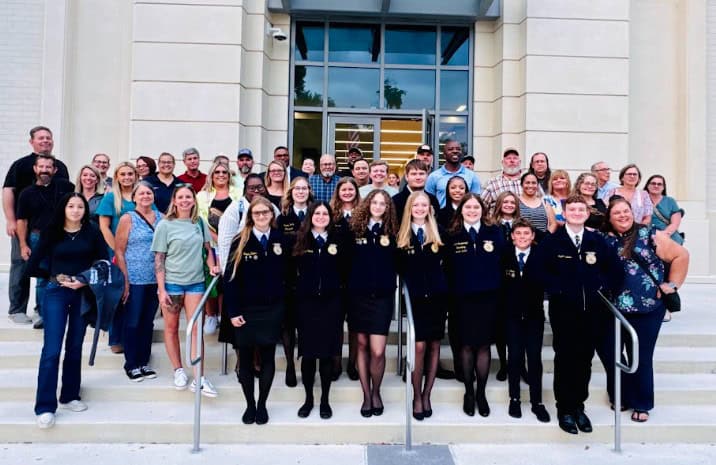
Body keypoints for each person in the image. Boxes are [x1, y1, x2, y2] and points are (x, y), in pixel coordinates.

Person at [535, 195, 623, 435]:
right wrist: (557, 288)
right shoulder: (553, 241)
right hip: (564, 311)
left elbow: (615, 270)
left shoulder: (598, 241)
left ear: (587, 213)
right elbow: (537, 270)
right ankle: (564, 408)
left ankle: (579, 407)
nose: (576, 212)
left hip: (593, 311)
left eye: (580, 209)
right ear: (565, 213)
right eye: (571, 209)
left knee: (584, 360)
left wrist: (601, 287)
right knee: (565, 358)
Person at [25, 192, 108, 429]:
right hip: (55, 293)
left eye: (80, 206)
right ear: (64, 208)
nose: (75, 210)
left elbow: (102, 263)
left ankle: (70, 395)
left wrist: (84, 280)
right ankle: (44, 406)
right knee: (52, 350)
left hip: (82, 293)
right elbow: (32, 265)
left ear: (85, 210)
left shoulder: (92, 232)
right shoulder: (52, 232)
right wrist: (54, 277)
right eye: (71, 206)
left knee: (74, 346)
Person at [603, 197, 689, 422]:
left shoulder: (650, 234)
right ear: (609, 218)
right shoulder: (605, 240)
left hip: (648, 308)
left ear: (632, 212)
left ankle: (642, 402)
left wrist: (671, 285)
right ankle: (619, 394)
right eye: (617, 213)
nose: (623, 216)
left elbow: (681, 255)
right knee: (613, 354)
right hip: (613, 310)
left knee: (640, 355)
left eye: (626, 211)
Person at [224, 197, 289, 425]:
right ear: (250, 216)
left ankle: (262, 405)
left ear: (272, 215)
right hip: (246, 310)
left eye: (266, 212)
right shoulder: (239, 240)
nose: (261, 216)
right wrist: (233, 311)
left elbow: (290, 276)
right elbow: (230, 279)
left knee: (269, 356)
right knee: (246, 358)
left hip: (273, 309)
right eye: (257, 213)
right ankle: (249, 404)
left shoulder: (282, 239)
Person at [152, 185, 220, 397]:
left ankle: (198, 376)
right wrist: (161, 290)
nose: (184, 200)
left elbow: (208, 250)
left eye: (188, 197)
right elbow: (159, 259)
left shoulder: (199, 223)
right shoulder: (165, 225)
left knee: (196, 330)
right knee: (171, 328)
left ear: (193, 200)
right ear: (174, 201)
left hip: (195, 283)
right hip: (172, 283)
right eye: (180, 197)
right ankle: (178, 370)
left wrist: (212, 265)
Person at [444, 193, 505, 417]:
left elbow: (502, 261)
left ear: (482, 209)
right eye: (467, 207)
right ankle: (469, 391)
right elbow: (447, 268)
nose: (472, 211)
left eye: (476, 207)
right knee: (467, 346)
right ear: (461, 211)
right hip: (461, 300)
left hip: (488, 299)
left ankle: (481, 393)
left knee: (483, 346)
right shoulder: (452, 234)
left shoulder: (494, 232)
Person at [3, 126, 69, 325]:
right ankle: (17, 309)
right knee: (20, 266)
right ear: (31, 141)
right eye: (41, 138)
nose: (45, 141)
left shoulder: (61, 167)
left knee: (46, 271)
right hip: (24, 226)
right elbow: (8, 191)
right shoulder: (20, 165)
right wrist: (10, 220)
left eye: (49, 138)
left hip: (50, 230)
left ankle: (42, 311)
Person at [396, 192, 448, 421]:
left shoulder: (439, 233)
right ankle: (416, 395)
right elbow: (398, 267)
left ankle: (427, 394)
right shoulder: (402, 235)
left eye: (424, 205)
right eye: (415, 205)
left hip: (437, 298)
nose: (419, 208)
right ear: (409, 208)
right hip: (416, 299)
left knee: (435, 345)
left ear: (430, 208)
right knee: (419, 348)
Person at [348, 189, 398, 417]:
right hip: (357, 296)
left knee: (378, 351)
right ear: (367, 204)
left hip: (382, 298)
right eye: (374, 202)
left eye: (383, 204)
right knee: (361, 345)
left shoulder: (393, 232)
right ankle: (367, 396)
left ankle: (377, 390)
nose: (378, 206)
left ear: (388, 208)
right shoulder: (353, 229)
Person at [293, 202, 345, 419]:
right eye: (317, 213)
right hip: (306, 304)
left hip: (332, 304)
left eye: (325, 213)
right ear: (310, 216)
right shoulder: (299, 239)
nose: (321, 217)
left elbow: (347, 268)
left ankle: (324, 400)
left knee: (326, 355)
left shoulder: (339, 239)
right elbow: (290, 271)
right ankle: (308, 399)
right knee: (308, 355)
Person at [16, 154, 75, 328]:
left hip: (61, 236)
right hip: (37, 237)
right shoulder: (26, 193)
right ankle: (42, 314)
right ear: (35, 169)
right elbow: (22, 221)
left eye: (48, 167)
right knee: (42, 278)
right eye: (41, 167)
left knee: (63, 274)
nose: (44, 170)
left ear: (54, 170)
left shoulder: (65, 187)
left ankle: (61, 310)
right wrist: (23, 244)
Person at [500, 219, 550, 422]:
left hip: (534, 316)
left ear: (532, 236)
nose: (522, 237)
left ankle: (537, 402)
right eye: (518, 233)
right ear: (512, 236)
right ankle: (514, 398)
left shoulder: (540, 257)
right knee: (514, 357)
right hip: (511, 316)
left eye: (526, 234)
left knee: (535, 358)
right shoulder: (504, 256)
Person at [114, 182, 161, 382]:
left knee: (147, 322)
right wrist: (124, 279)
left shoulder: (162, 217)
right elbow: (119, 250)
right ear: (134, 197)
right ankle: (131, 364)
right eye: (141, 193)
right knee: (133, 321)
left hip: (155, 278)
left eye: (148, 192)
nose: (145, 196)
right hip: (134, 278)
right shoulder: (128, 218)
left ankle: (144, 362)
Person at [96, 161, 140, 353]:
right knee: (118, 294)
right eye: (123, 174)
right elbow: (104, 227)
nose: (127, 177)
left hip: (139, 255)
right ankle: (115, 338)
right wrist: (117, 250)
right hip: (116, 253)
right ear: (117, 177)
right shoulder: (111, 198)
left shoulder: (142, 195)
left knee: (135, 297)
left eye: (130, 174)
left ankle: (133, 336)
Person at [196, 161, 241, 334]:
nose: (221, 175)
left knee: (227, 280)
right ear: (211, 176)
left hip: (234, 244)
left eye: (224, 172)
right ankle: (211, 315)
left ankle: (224, 315)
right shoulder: (202, 196)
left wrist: (232, 239)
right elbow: (200, 220)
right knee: (211, 279)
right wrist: (219, 238)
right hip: (210, 244)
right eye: (217, 172)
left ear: (229, 176)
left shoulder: (238, 193)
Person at [277, 177, 314, 387]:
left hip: (310, 278)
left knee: (307, 324)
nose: (300, 192)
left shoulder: (317, 213)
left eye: (304, 188)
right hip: (289, 278)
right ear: (290, 192)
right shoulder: (283, 218)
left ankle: (306, 364)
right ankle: (290, 365)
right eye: (297, 189)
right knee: (288, 326)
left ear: (309, 191)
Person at [328, 177, 361, 380]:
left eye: (351, 189)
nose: (347, 192)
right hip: (336, 277)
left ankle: (353, 363)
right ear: (338, 192)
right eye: (344, 189)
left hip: (358, 277)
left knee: (355, 324)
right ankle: (336, 362)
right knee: (336, 323)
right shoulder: (331, 215)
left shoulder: (363, 214)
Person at [490, 190, 522, 380]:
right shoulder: (491, 226)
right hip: (499, 280)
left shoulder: (523, 224)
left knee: (519, 325)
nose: (509, 205)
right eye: (506, 202)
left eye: (512, 202)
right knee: (501, 326)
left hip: (519, 281)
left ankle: (519, 364)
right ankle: (504, 364)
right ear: (500, 204)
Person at [425, 139, 481, 207]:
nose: (455, 151)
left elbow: (476, 201)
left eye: (458, 149)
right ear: (444, 155)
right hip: (441, 216)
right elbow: (428, 201)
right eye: (450, 149)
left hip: (465, 216)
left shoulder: (472, 176)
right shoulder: (433, 176)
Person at [644, 174, 684, 246]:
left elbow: (675, 223)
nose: (656, 186)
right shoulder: (641, 200)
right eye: (653, 183)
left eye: (659, 184)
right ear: (648, 185)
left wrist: (663, 235)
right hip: (646, 235)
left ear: (663, 187)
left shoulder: (670, 201)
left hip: (669, 235)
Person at [481, 148, 523, 213]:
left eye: (515, 158)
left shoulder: (529, 183)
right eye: (508, 158)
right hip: (497, 222)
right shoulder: (492, 183)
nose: (512, 161)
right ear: (503, 162)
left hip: (523, 222)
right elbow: (481, 207)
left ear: (520, 162)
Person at [518, 172, 556, 242]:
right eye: (527, 183)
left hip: (541, 244)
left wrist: (546, 237)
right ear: (522, 185)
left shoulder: (544, 202)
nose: (530, 185)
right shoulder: (516, 202)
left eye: (533, 183)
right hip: (521, 243)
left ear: (537, 185)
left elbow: (553, 223)